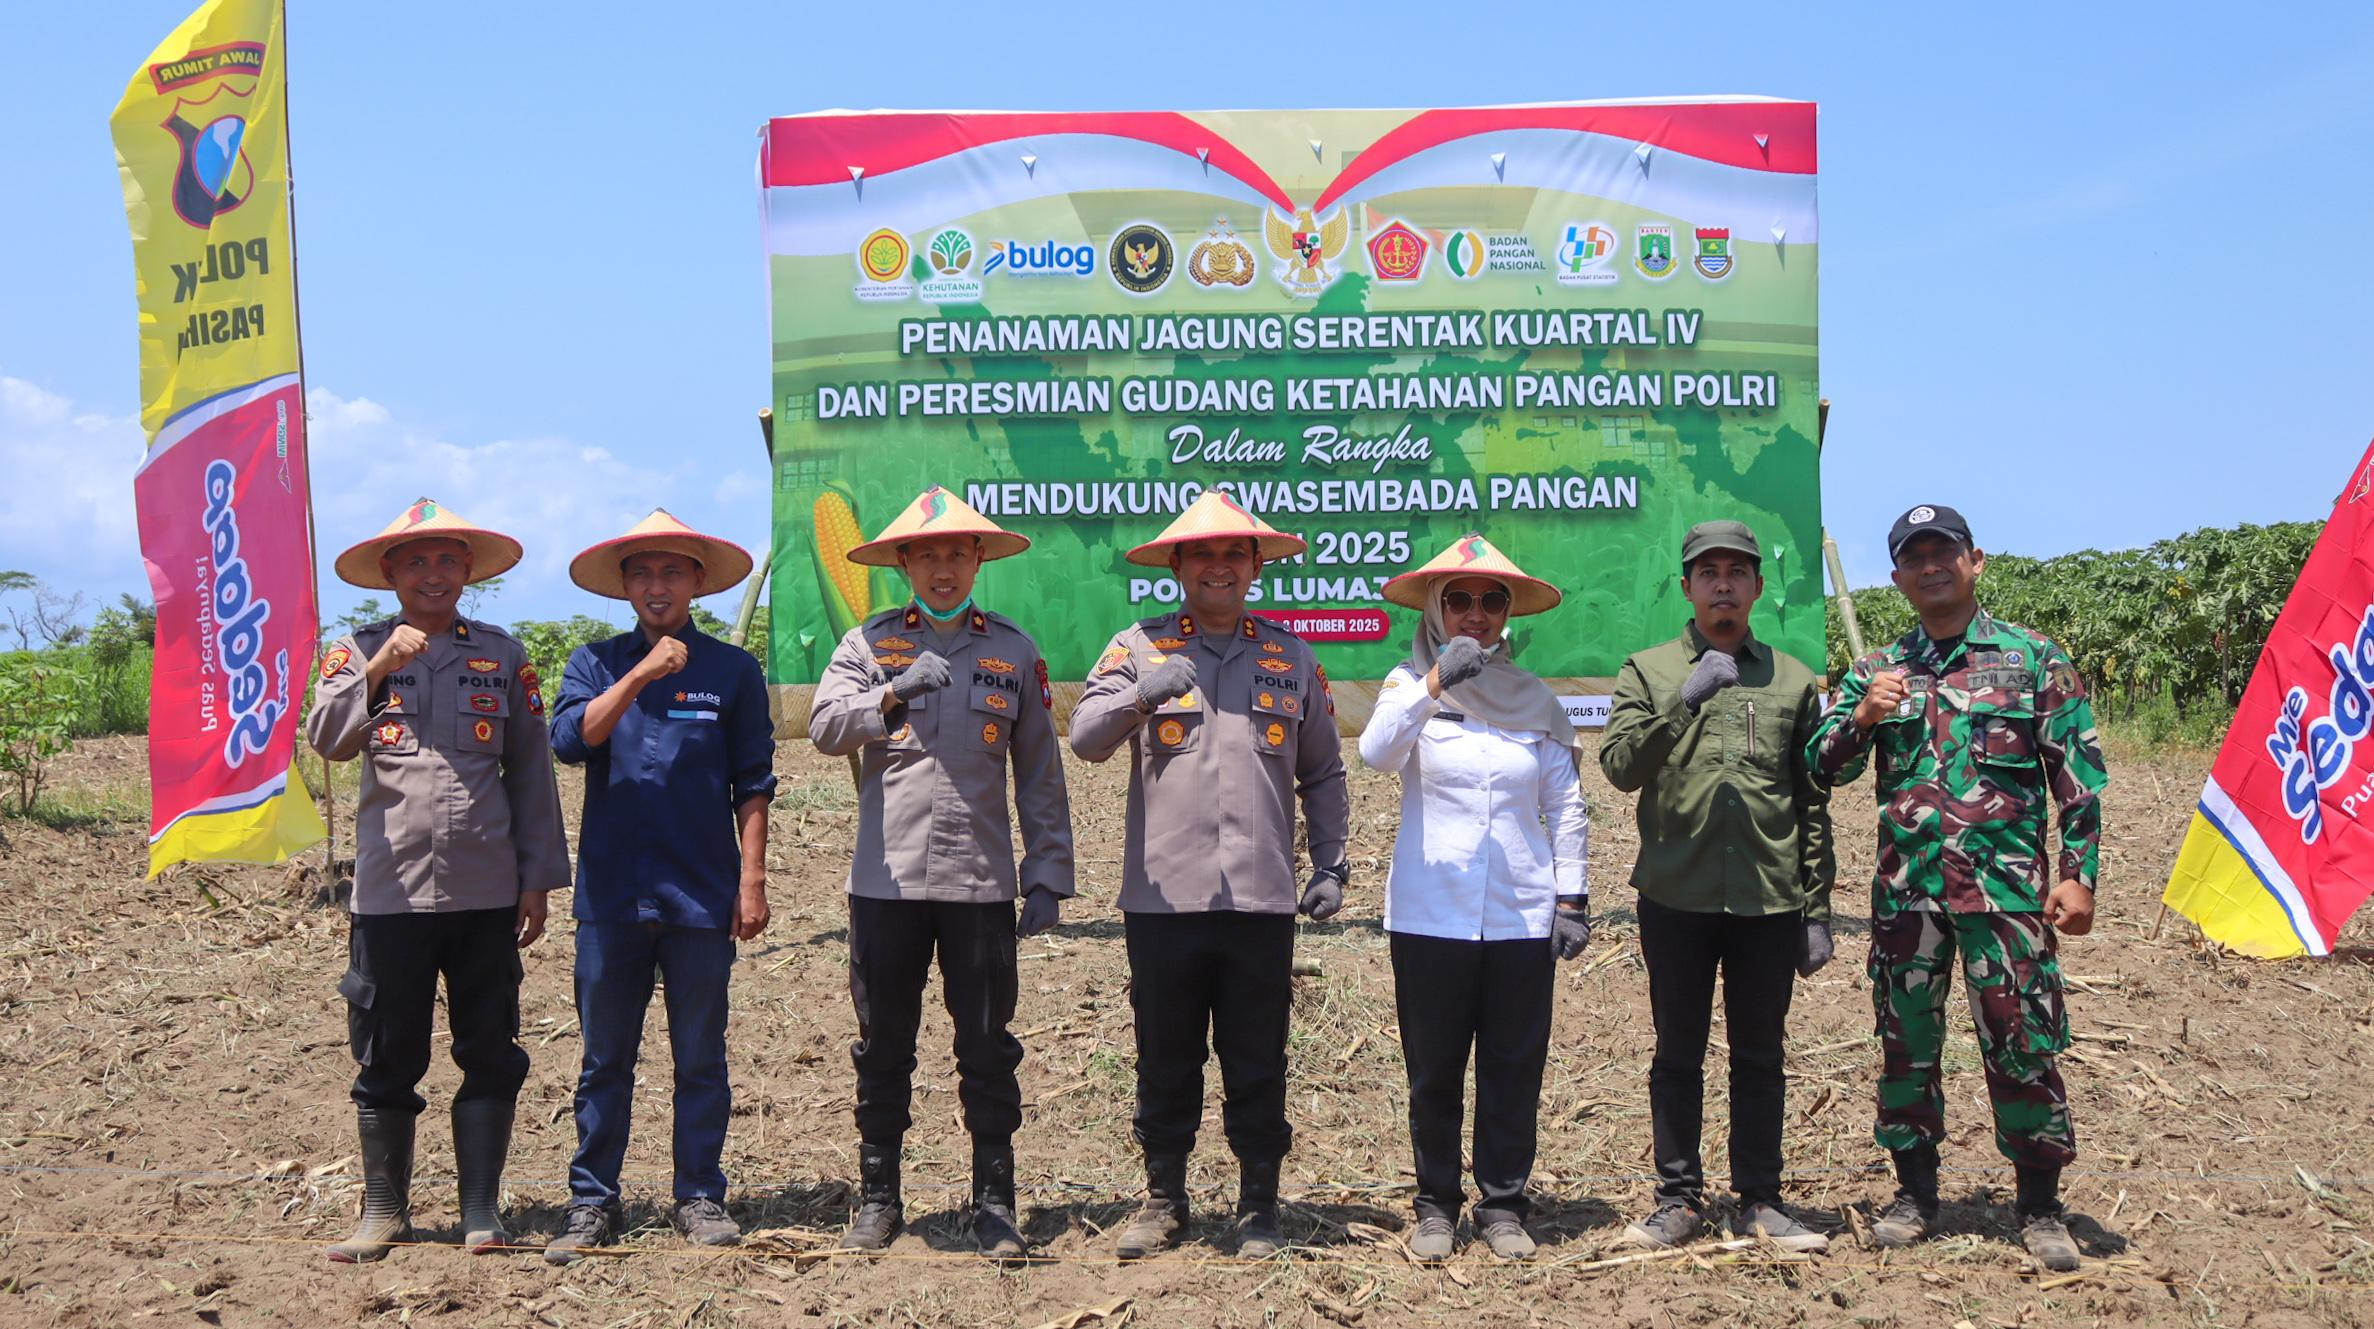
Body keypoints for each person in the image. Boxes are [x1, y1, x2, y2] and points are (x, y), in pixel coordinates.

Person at [1805, 503, 2107, 1273]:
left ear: (1974, 562)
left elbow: (2077, 773)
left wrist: (2078, 874)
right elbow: (1821, 764)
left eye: (1945, 553)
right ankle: (1914, 1195)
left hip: (2006, 898)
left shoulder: (2032, 658)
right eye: (1915, 557)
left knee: (2024, 1044)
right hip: (1909, 898)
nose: (1931, 567)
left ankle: (2040, 1206)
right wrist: (1863, 717)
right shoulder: (1881, 668)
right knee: (1907, 1048)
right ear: (1899, 576)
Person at [1069, 490, 1351, 1261]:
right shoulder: (1138, 645)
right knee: (1166, 1053)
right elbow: (1085, 737)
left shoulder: (1289, 656)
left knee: (1258, 1054)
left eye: (1235, 554)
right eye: (1203, 554)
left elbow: (1322, 771)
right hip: (1164, 898)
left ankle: (1259, 1202)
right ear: (1177, 566)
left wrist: (1330, 862)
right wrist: (1138, 693)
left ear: (1256, 566)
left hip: (1262, 898)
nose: (1219, 567)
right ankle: (1165, 1198)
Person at [808, 486, 1074, 1261]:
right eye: (926, 552)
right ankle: (879, 1196)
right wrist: (890, 693)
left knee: (988, 1046)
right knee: (882, 1044)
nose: (944, 566)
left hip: (979, 884)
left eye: (958, 551)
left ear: (979, 557)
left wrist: (1048, 871)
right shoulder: (867, 642)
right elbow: (823, 726)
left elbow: (1039, 773)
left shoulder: (1014, 652)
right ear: (902, 562)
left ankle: (995, 1201)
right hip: (885, 883)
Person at [307, 498, 569, 1262]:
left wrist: (538, 879)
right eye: (415, 561)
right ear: (389, 573)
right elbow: (325, 738)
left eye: (447, 560)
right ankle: (383, 1210)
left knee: (489, 1047)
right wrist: (380, 665)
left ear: (468, 573)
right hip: (390, 894)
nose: (432, 574)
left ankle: (481, 1209)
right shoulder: (352, 651)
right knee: (388, 1052)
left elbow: (529, 774)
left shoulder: (502, 655)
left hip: (486, 889)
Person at [544, 510, 776, 1264]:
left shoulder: (733, 673)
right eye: (642, 572)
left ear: (698, 582)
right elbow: (571, 740)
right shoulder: (594, 660)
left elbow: (754, 781)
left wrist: (752, 878)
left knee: (700, 1055)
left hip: (700, 894)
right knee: (603, 1058)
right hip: (611, 894)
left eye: (672, 571)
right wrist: (641, 673)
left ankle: (700, 1193)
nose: (656, 585)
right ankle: (591, 1200)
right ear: (623, 584)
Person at [1601, 520, 1837, 1253]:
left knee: (1760, 1055)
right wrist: (1687, 699)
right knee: (1678, 1053)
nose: (1724, 584)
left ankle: (1761, 1199)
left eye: (1738, 571)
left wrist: (1817, 909)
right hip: (1676, 897)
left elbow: (1811, 801)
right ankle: (1677, 1198)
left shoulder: (1795, 681)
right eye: (1710, 572)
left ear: (1758, 587)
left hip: (1768, 899)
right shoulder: (1647, 671)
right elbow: (1618, 765)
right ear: (1688, 587)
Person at [1357, 534, 1589, 1263]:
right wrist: (1434, 686)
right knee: (1434, 1066)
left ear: (1508, 614)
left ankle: (1502, 1204)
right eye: (1459, 599)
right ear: (1435, 607)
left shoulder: (1534, 697)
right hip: (1431, 913)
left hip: (1522, 913)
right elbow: (1376, 753)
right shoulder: (1406, 683)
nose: (1477, 613)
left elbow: (1567, 802)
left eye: (1492, 601)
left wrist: (1573, 897)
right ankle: (1434, 1205)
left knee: (1513, 1062)